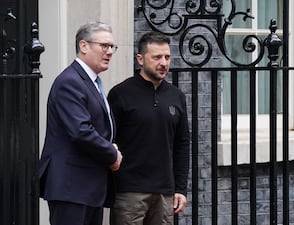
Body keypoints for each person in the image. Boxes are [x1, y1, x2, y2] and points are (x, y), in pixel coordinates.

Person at [39, 21, 122, 225]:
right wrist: (112, 153)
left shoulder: (90, 82)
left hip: (88, 187)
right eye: (104, 45)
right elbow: (81, 130)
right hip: (71, 187)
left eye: (112, 46)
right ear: (83, 46)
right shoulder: (70, 81)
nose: (110, 51)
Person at [107, 31, 190, 225]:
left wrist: (180, 189)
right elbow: (108, 141)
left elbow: (182, 145)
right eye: (157, 57)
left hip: (165, 192)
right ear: (140, 59)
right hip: (129, 192)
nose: (163, 63)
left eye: (167, 57)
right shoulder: (120, 94)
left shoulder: (177, 96)